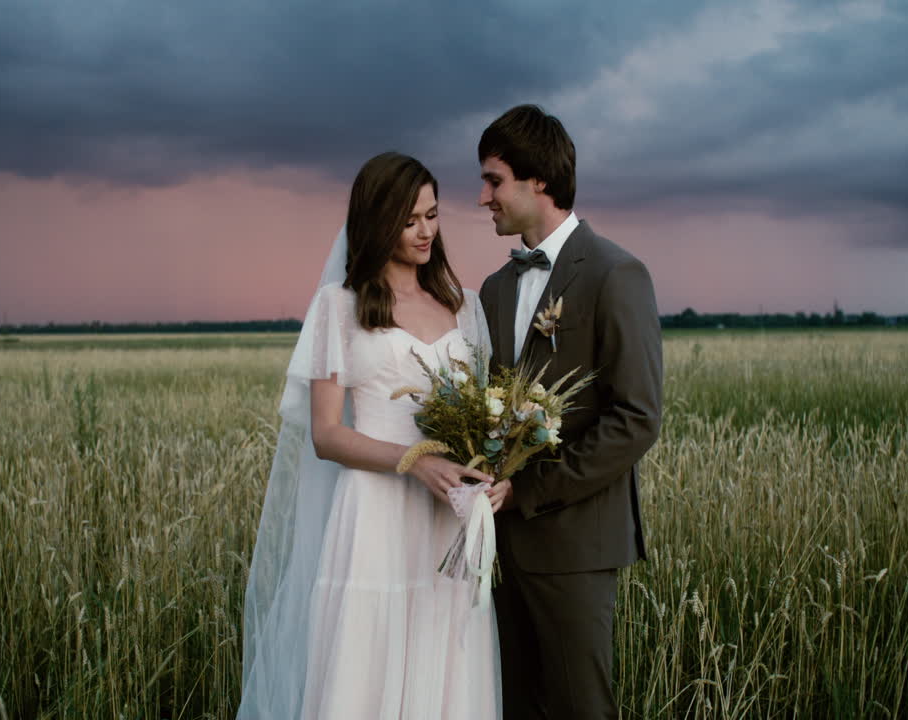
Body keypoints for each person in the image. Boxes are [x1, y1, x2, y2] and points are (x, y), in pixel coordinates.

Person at [237, 152, 501, 720]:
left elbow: (486, 419)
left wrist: (492, 476)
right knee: (365, 667)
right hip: (374, 516)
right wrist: (415, 459)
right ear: (378, 223)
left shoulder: (465, 306)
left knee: (445, 660)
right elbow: (327, 435)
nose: (425, 232)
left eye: (432, 215)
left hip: (446, 518)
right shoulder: (341, 307)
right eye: (409, 221)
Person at [478, 105, 664, 719]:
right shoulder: (494, 289)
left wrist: (528, 490)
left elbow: (636, 418)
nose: (483, 197)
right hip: (497, 549)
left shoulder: (616, 274)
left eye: (494, 180)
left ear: (539, 180)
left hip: (576, 544)